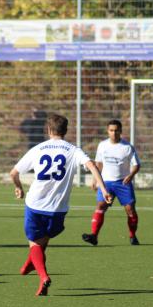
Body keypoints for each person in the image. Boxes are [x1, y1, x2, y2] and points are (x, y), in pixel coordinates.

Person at [10, 114, 112, 296]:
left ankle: (43, 276)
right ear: (65, 131)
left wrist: (18, 187)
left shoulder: (38, 149)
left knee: (34, 243)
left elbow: (14, 173)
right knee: (41, 242)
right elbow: (92, 166)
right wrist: (103, 190)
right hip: (58, 209)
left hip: (35, 204)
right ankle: (27, 266)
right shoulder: (73, 150)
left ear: (48, 130)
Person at [82, 119, 141, 246]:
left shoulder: (127, 147)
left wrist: (131, 175)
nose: (114, 133)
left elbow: (136, 165)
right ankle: (94, 236)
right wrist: (95, 179)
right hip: (106, 183)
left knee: (130, 210)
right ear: (108, 131)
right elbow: (99, 163)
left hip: (123, 183)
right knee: (100, 206)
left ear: (120, 131)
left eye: (116, 130)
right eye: (111, 130)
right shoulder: (102, 145)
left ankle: (132, 236)